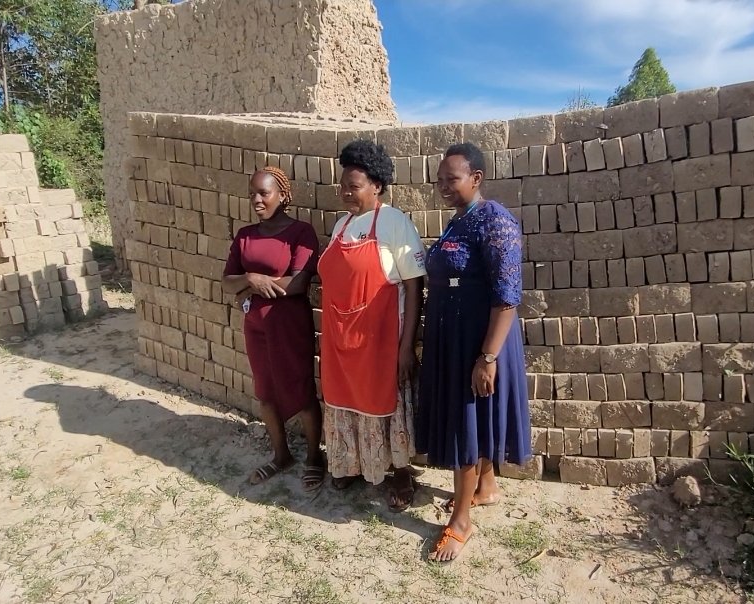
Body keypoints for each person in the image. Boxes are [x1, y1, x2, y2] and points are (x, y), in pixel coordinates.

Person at [417, 142, 532, 562]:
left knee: (466, 418)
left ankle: (461, 522)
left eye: (453, 178)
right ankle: (486, 488)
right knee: (471, 414)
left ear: (476, 178)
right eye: (440, 179)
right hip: (455, 335)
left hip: (481, 339)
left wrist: (487, 357)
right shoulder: (457, 221)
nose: (444, 186)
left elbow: (507, 297)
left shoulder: (494, 220)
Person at [318, 139, 426, 511]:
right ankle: (352, 463)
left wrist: (406, 346)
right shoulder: (340, 226)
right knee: (345, 401)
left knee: (386, 402)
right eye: (343, 185)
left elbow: (414, 286)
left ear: (376, 186)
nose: (346, 192)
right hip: (339, 340)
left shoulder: (394, 222)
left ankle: (399, 471)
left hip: (380, 340)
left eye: (354, 185)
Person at [222, 167, 325, 492]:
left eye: (263, 193)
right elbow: (227, 281)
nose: (256, 199)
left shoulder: (300, 232)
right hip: (255, 326)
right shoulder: (245, 235)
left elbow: (297, 284)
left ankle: (313, 457)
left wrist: (250, 287)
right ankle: (281, 455)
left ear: (282, 195)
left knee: (300, 389)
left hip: (290, 325)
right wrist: (250, 280)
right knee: (265, 392)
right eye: (252, 193)